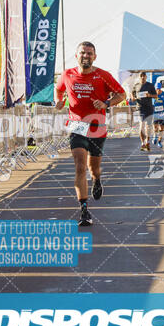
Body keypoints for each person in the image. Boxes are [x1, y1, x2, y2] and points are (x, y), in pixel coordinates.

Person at [55, 41, 126, 226]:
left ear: (94, 56)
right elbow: (58, 89)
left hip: (97, 127)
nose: (85, 56)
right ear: (76, 55)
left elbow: (122, 94)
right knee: (80, 166)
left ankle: (97, 180)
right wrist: (59, 101)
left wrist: (106, 104)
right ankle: (84, 210)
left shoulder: (103, 75)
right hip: (77, 126)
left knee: (93, 168)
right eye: (82, 53)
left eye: (89, 53)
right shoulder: (67, 74)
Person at [132, 71, 157, 151]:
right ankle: (142, 143)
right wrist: (133, 98)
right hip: (140, 107)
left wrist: (149, 95)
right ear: (139, 77)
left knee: (148, 126)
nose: (142, 77)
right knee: (142, 124)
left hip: (149, 107)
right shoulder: (136, 85)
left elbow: (156, 96)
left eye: (144, 76)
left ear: (146, 77)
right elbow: (132, 94)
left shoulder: (150, 85)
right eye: (141, 76)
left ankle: (147, 141)